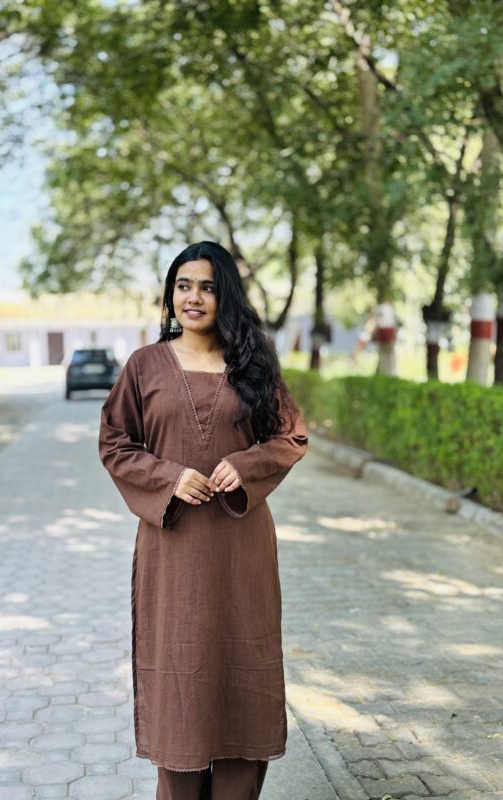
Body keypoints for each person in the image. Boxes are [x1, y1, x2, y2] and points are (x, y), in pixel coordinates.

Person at [98, 241, 308, 800]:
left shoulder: (253, 362)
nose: (194, 297)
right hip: (174, 548)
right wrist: (168, 478)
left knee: (244, 674)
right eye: (184, 286)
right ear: (170, 295)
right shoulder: (144, 365)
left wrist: (247, 464)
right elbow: (115, 443)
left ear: (225, 296)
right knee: (181, 682)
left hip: (242, 548)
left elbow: (290, 436)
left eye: (208, 287)